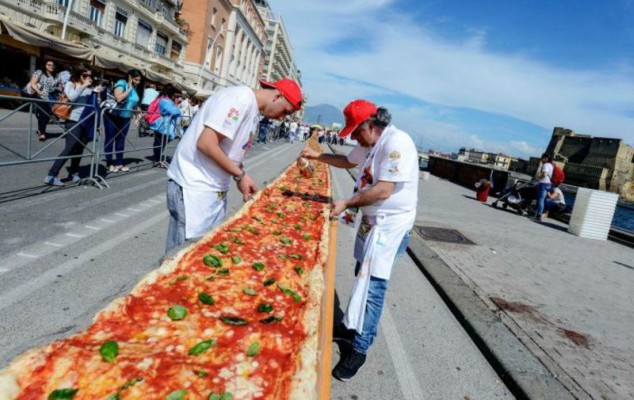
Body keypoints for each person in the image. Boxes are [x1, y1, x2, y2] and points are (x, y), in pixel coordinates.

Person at [301, 99, 419, 381]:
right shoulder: (368, 144)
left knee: (374, 285)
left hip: (390, 225)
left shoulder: (397, 143)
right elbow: (346, 161)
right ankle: (352, 326)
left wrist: (346, 202)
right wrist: (316, 157)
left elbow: (383, 190)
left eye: (356, 130)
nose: (352, 136)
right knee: (360, 274)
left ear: (371, 125)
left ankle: (360, 347)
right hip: (370, 221)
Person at [164, 78, 303, 254]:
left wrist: (240, 174)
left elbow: (230, 150)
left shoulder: (251, 107)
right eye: (285, 111)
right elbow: (206, 143)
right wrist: (240, 176)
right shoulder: (240, 99)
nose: (282, 117)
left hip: (210, 188)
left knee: (204, 251)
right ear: (277, 96)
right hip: (194, 186)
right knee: (183, 255)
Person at [44, 65, 102, 186]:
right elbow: (72, 97)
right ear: (79, 74)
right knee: (70, 147)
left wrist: (98, 94)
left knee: (79, 149)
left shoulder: (89, 87)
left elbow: (96, 103)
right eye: (85, 75)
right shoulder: (70, 84)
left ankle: (74, 173)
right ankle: (51, 175)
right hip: (73, 120)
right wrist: (84, 86)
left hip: (86, 121)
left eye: (90, 76)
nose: (88, 78)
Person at [103, 69, 144, 173]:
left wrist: (137, 114)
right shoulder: (122, 83)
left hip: (125, 117)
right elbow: (118, 98)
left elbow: (134, 103)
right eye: (135, 80)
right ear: (130, 77)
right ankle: (109, 163)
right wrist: (129, 88)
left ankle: (119, 163)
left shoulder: (136, 89)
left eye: (139, 80)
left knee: (121, 140)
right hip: (113, 115)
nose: (137, 82)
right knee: (110, 138)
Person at [23, 58, 61, 141]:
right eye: (49, 65)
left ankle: (40, 129)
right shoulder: (39, 72)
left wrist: (59, 89)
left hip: (50, 98)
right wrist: (38, 91)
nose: (51, 66)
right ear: (45, 65)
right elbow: (33, 83)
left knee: (47, 115)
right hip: (39, 96)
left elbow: (59, 86)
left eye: (53, 65)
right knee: (43, 114)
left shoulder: (56, 76)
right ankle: (43, 133)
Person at [149, 84, 182, 168]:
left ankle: (158, 159)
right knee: (160, 142)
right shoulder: (164, 100)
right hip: (162, 124)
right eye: (176, 95)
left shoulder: (162, 99)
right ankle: (157, 160)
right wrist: (177, 107)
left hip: (162, 124)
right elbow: (175, 111)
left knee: (161, 142)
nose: (177, 98)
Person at [534, 152, 554, 221]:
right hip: (548, 184)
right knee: (542, 199)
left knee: (540, 200)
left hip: (543, 183)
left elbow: (544, 175)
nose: (541, 159)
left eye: (542, 158)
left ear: (546, 158)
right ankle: (537, 214)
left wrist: (539, 178)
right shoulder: (551, 165)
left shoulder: (546, 165)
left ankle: (539, 215)